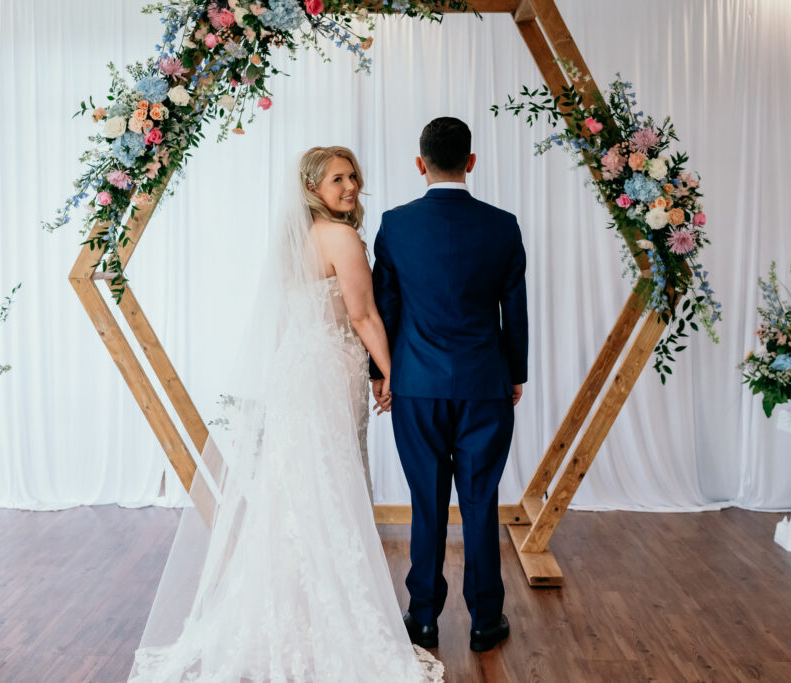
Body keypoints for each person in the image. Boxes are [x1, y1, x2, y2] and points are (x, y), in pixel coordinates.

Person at [129, 146, 443, 682]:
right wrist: (392, 373)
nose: (349, 187)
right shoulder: (341, 238)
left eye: (353, 177)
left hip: (300, 370)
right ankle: (323, 614)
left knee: (298, 489)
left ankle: (288, 610)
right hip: (328, 370)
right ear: (313, 189)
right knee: (329, 485)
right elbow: (363, 314)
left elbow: (291, 315)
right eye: (337, 180)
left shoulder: (292, 240)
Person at [370, 117, 528, 653]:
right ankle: (486, 620)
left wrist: (380, 375)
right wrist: (517, 374)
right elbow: (516, 312)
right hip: (486, 383)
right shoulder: (503, 225)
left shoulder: (394, 225)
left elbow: (384, 307)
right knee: (481, 500)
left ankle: (423, 619)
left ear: (421, 164)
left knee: (427, 502)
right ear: (471, 162)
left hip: (416, 386)